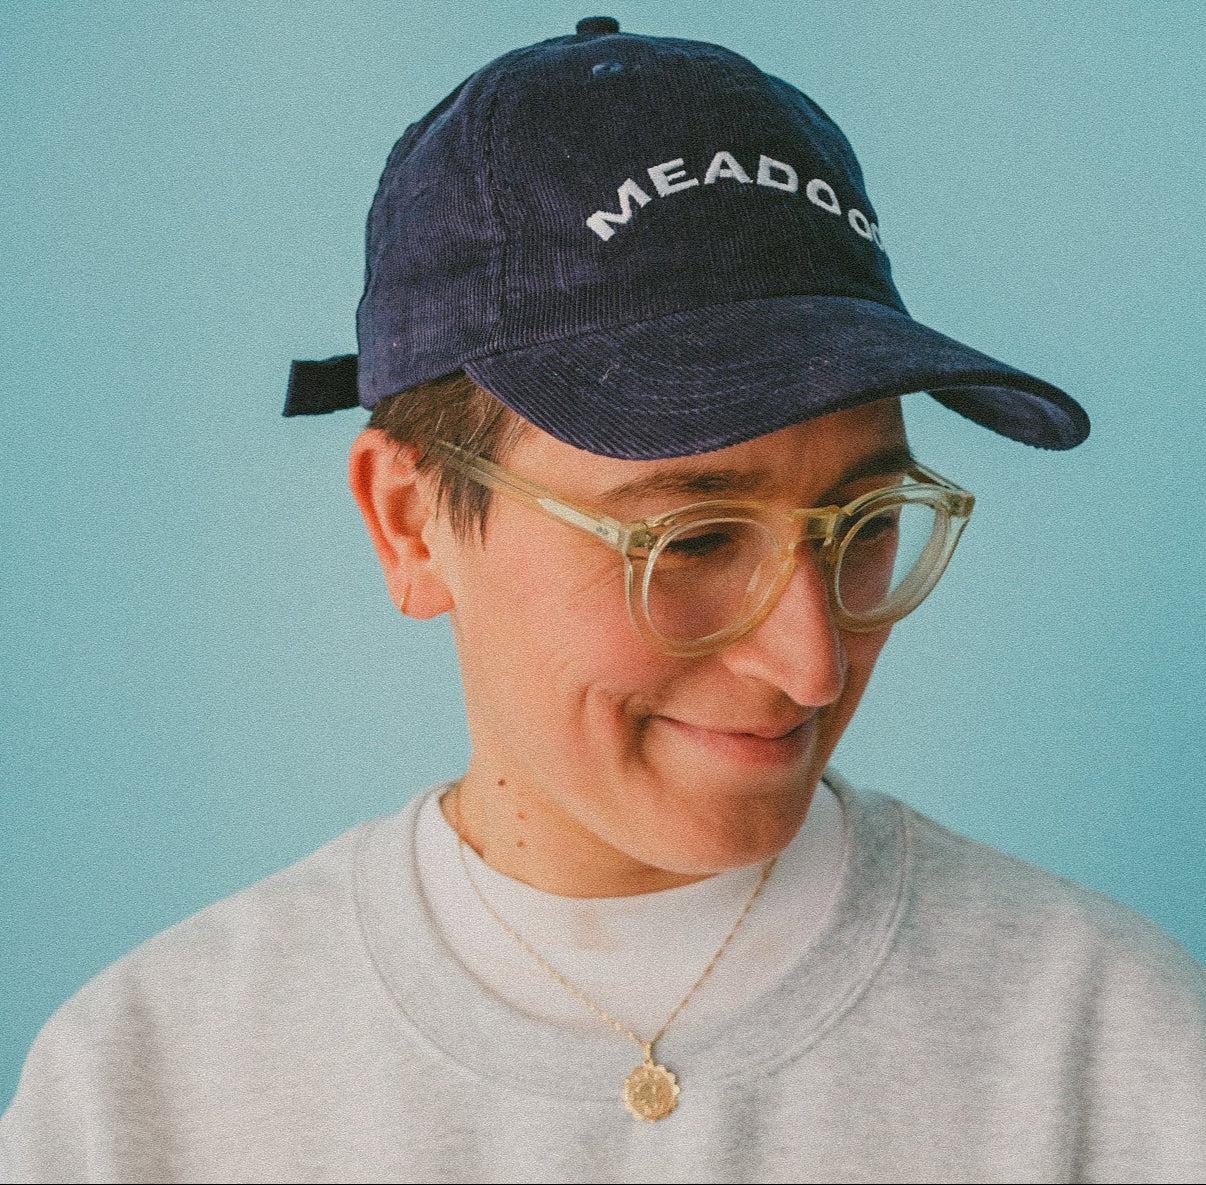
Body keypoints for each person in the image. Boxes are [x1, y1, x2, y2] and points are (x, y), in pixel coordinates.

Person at [3, 16, 1204, 1183]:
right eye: (689, 540)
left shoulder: (1120, 1056)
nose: (813, 665)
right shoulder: (145, 1094)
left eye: (867, 526)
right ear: (411, 524)